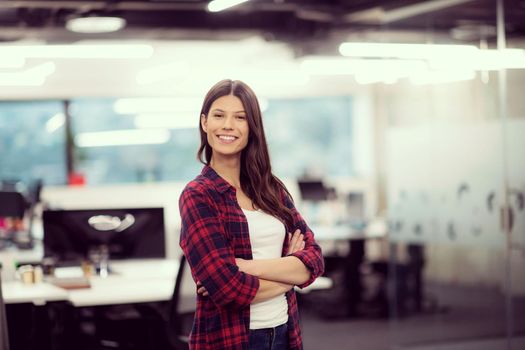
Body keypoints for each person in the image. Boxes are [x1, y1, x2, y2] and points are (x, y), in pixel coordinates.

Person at [178, 79, 324, 350]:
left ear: (251, 127)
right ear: (204, 122)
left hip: (284, 331)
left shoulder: (270, 188)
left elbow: (314, 259)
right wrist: (291, 272)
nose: (228, 126)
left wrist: (245, 267)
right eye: (219, 115)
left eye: (240, 117)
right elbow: (227, 289)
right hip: (231, 339)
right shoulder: (198, 195)